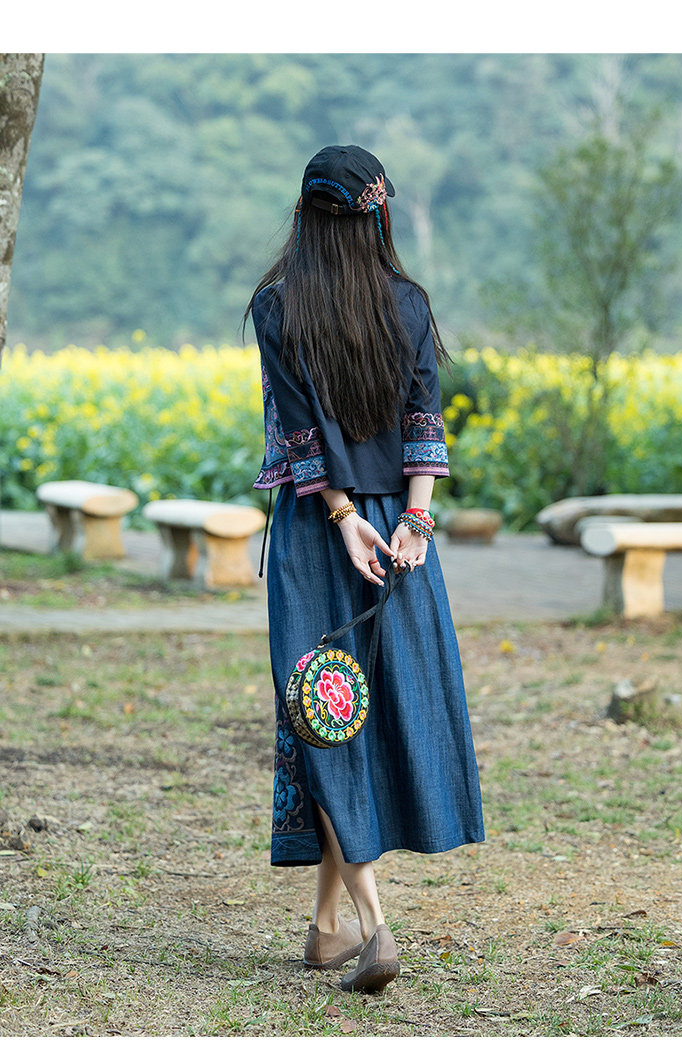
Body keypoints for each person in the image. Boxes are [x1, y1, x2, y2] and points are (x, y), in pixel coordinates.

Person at [244, 145, 484, 994]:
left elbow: (299, 435)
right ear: (377, 214)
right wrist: (415, 521)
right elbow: (425, 423)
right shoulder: (409, 303)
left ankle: (370, 927)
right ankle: (327, 929)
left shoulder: (277, 307)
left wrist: (345, 519)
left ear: (305, 218)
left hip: (321, 530)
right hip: (398, 535)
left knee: (324, 711)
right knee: (351, 709)